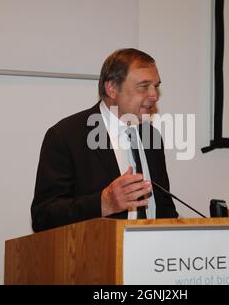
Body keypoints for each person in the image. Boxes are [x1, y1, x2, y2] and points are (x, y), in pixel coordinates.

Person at [31, 48, 178, 232]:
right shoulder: (67, 136)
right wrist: (103, 203)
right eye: (144, 86)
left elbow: (164, 207)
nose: (154, 95)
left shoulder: (151, 136)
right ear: (112, 88)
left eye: (156, 86)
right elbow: (43, 217)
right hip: (95, 256)